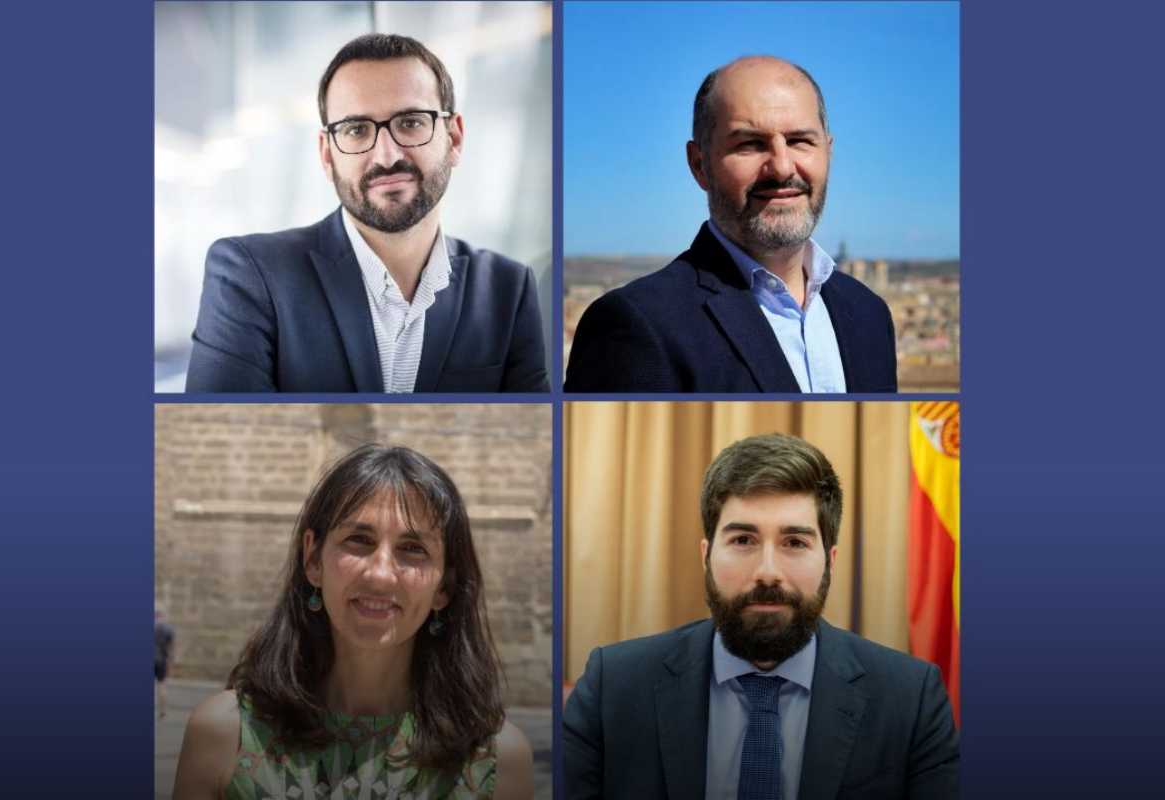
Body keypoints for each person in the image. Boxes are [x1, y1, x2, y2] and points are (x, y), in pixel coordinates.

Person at [563, 434, 958, 799]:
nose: (767, 571)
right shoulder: (611, 687)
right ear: (706, 556)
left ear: (830, 562)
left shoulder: (912, 699)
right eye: (743, 540)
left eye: (794, 542)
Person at [186, 34, 549, 393]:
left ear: (453, 138)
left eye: (410, 122)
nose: (387, 156)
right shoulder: (251, 275)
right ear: (327, 155)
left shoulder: (507, 289)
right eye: (356, 130)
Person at [173, 445, 534, 799]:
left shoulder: (499, 762)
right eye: (359, 540)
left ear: (445, 586)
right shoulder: (224, 736)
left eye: (413, 549)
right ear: (313, 559)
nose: (380, 575)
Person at [565, 57, 897, 393]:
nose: (782, 168)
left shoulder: (869, 314)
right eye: (750, 144)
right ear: (699, 165)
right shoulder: (638, 325)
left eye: (799, 141)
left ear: (828, 153)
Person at [155, 608, 176, 719]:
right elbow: (171, 647)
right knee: (162, 685)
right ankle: (162, 712)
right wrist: (170, 662)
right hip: (161, 660)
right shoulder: (168, 629)